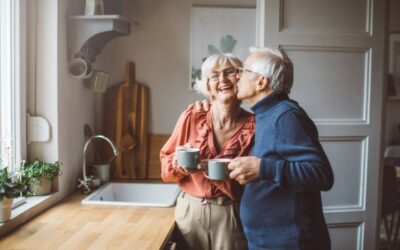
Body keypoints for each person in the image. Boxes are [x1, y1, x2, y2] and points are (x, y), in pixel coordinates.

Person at [225, 47, 334, 250]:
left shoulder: (286, 116)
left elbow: (322, 175)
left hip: (290, 243)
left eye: (243, 70)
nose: (237, 76)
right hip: (270, 240)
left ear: (261, 81)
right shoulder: (266, 114)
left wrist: (262, 169)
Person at [160, 54, 255, 250]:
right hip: (190, 212)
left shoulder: (255, 125)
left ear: (241, 78)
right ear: (207, 85)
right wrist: (178, 165)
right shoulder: (192, 115)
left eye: (229, 72)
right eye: (214, 75)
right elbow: (165, 167)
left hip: (232, 213)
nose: (222, 80)